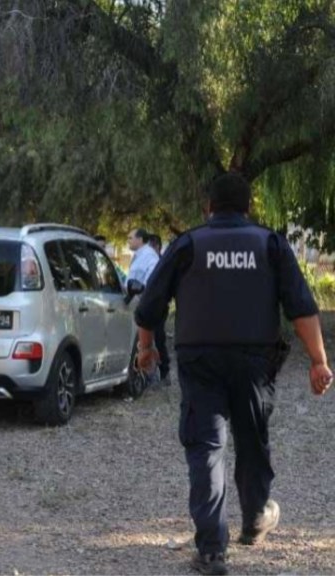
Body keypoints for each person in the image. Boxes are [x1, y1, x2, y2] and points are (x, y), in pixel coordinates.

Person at [135, 172, 332, 576]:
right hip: (253, 362)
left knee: (206, 447)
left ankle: (211, 551)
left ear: (208, 207)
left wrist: (145, 348)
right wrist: (319, 360)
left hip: (199, 361)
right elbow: (301, 307)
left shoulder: (188, 244)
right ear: (248, 208)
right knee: (251, 437)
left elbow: (149, 306)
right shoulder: (269, 244)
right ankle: (256, 516)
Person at [128, 227, 170, 382]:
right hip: (139, 303)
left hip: (151, 304)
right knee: (144, 340)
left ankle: (162, 371)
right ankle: (147, 372)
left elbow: (153, 280)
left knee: (157, 338)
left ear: (140, 239)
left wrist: (143, 290)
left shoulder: (149, 256)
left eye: (130, 237)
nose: (128, 241)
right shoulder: (138, 256)